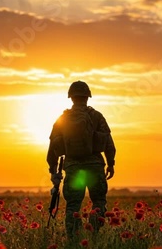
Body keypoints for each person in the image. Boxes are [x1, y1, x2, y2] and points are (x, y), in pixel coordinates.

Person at [47, 81, 116, 237]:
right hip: (94, 167)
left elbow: (53, 147)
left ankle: (73, 240)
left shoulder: (62, 119)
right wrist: (110, 164)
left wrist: (53, 170)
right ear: (87, 97)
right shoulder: (97, 116)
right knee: (98, 202)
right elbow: (109, 143)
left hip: (72, 167)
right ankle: (94, 236)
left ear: (71, 97)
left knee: (72, 206)